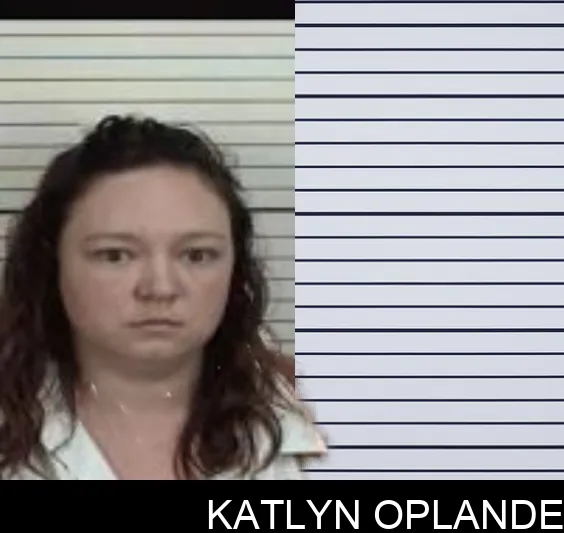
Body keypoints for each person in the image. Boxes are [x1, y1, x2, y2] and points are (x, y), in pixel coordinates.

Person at [0, 114, 324, 480]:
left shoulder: (323, 416)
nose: (160, 288)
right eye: (115, 255)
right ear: (51, 263)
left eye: (196, 255)